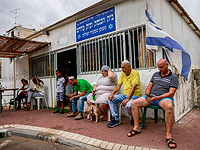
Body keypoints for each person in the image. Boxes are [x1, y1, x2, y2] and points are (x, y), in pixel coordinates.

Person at [129, 59, 178, 149]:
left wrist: (158, 98)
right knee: (134, 103)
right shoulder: (155, 75)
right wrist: (147, 96)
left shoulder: (173, 77)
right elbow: (149, 87)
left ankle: (168, 135)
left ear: (167, 65)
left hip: (163, 98)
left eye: (161, 67)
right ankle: (136, 128)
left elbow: (171, 93)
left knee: (169, 106)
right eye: (158, 67)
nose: (159, 69)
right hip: (151, 97)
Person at [107, 60, 141, 128]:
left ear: (129, 66)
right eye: (121, 68)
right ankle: (116, 119)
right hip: (124, 95)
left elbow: (134, 87)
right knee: (111, 99)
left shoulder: (135, 73)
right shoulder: (123, 74)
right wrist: (112, 94)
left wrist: (127, 99)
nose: (122, 70)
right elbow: (118, 85)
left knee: (128, 105)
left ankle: (134, 118)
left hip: (134, 96)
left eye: (123, 68)